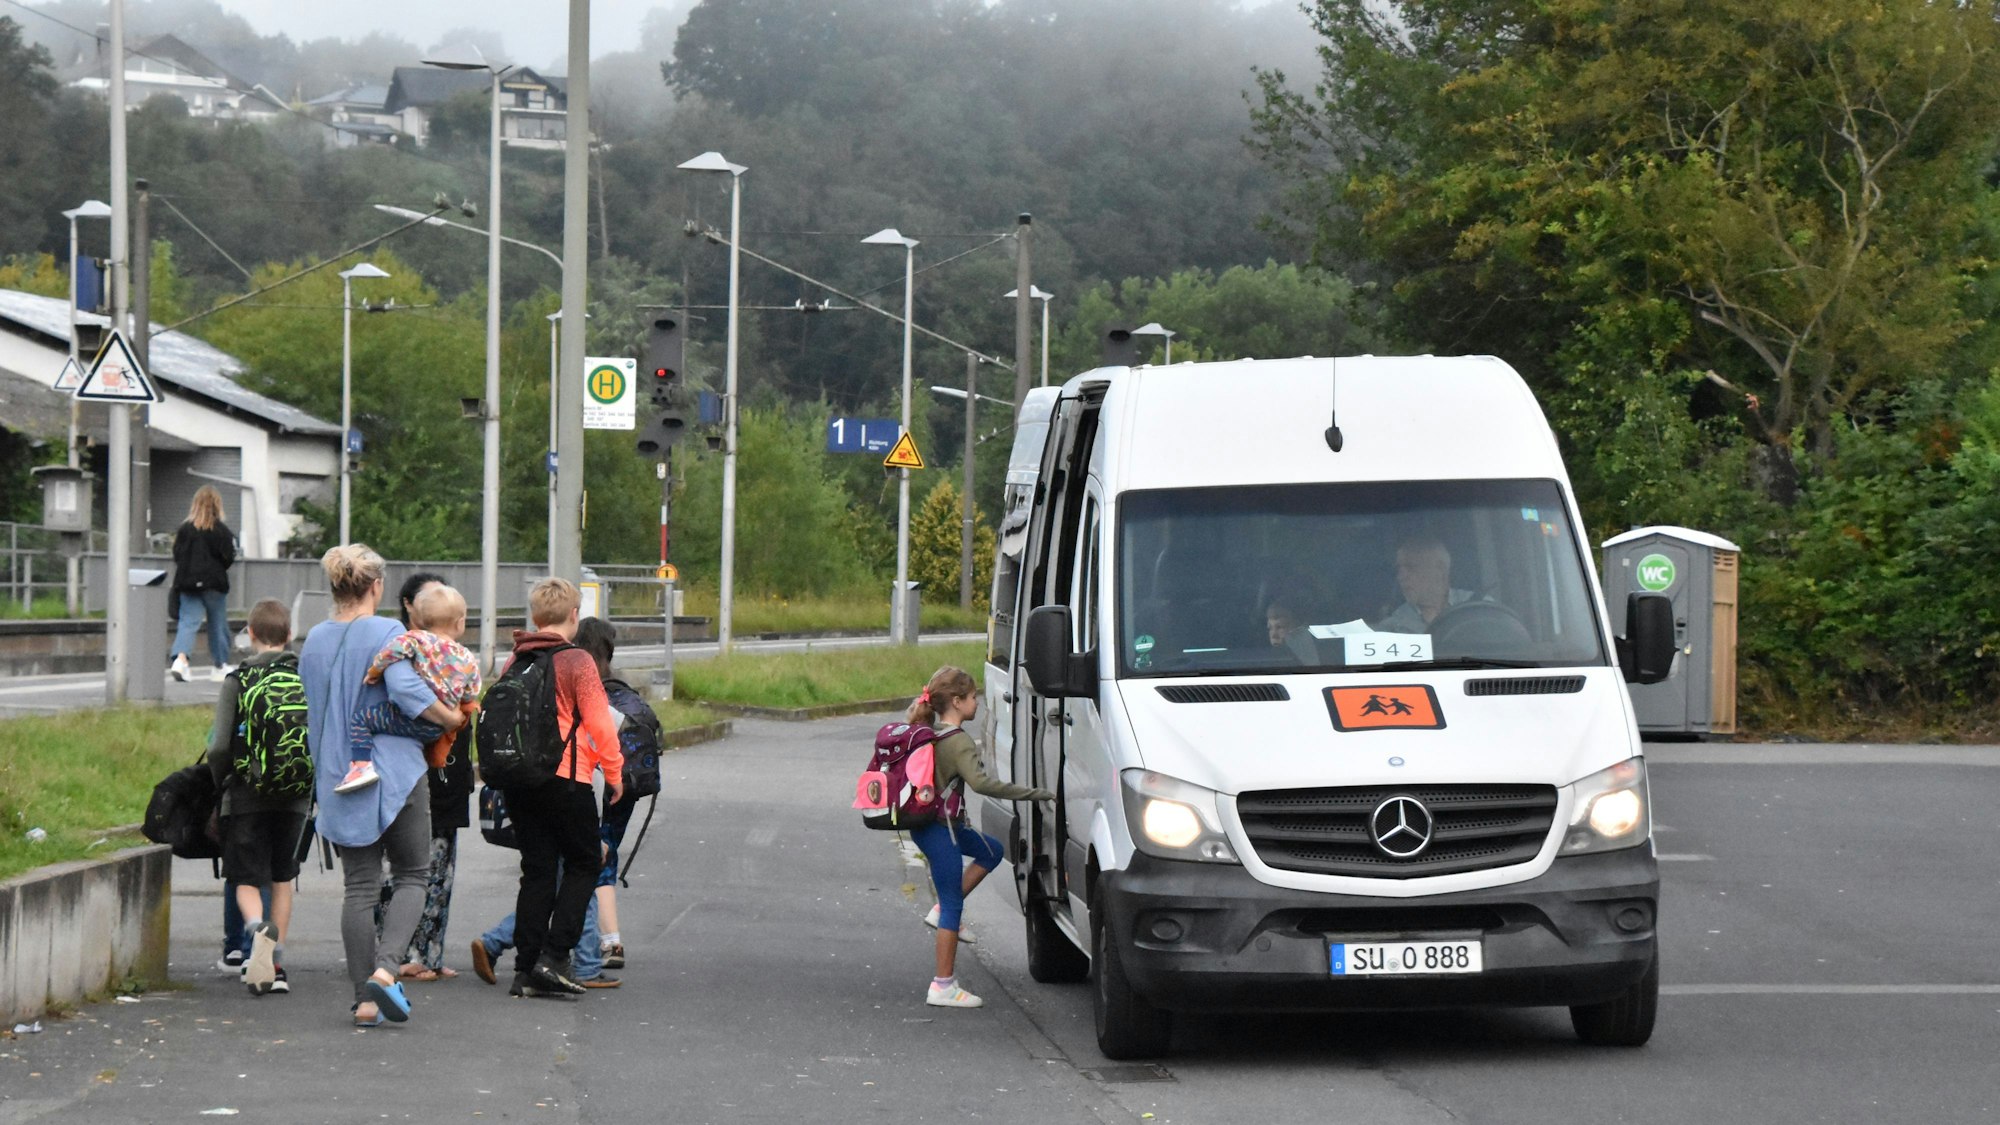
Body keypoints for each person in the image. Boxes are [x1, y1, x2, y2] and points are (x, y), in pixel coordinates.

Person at [302, 544, 467, 1027]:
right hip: (394, 773)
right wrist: (449, 716)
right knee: (414, 873)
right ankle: (386, 968)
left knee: (359, 889)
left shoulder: (313, 639)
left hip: (338, 776)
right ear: (376, 587)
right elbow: (405, 689)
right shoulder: (390, 631)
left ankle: (365, 1002)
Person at [493, 578, 623, 999]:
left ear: (534, 617)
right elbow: (601, 723)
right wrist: (616, 774)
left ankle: (525, 970)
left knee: (538, 871)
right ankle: (554, 957)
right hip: (567, 781)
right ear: (574, 615)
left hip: (519, 781)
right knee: (586, 862)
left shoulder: (514, 660)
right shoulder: (577, 661)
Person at [904, 666, 1053, 1009]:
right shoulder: (957, 741)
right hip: (942, 831)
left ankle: (941, 907)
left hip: (935, 826)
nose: (978, 703)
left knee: (991, 850)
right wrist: (1035, 793)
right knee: (954, 907)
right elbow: (982, 784)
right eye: (973, 698)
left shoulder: (930, 731)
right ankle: (942, 986)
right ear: (957, 702)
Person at [205, 598, 310, 996]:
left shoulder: (239, 679)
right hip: (296, 798)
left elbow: (218, 746)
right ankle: (273, 963)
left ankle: (253, 926)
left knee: (246, 879)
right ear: (289, 636)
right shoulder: (305, 677)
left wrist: (223, 782)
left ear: (250, 635)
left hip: (247, 795)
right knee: (282, 879)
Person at [374, 572, 475, 982]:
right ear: (408, 605)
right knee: (402, 870)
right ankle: (398, 953)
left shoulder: (452, 654)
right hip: (412, 775)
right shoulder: (403, 651)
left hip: (450, 776)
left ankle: (430, 954)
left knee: (441, 868)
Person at [335, 584, 481, 795]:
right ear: (460, 623)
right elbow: (472, 691)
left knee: (361, 718)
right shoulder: (467, 657)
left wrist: (375, 671)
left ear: (420, 620)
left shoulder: (416, 639)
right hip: (437, 729)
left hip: (411, 719)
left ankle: (360, 765)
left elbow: (391, 653)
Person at [168, 485, 238, 683]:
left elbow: (177, 555)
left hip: (188, 584)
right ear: (217, 505)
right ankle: (220, 665)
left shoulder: (184, 530)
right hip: (214, 585)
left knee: (188, 622)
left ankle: (180, 661)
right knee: (217, 624)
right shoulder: (222, 532)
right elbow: (228, 559)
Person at [1372, 535, 1477, 634]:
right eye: (1399, 569)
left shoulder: (1478, 607)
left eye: (1411, 567)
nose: (1400, 577)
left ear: (1440, 569)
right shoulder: (1393, 627)